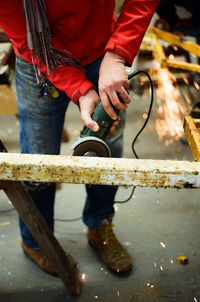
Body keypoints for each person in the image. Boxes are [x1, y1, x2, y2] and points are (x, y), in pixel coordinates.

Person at [0, 0, 158, 275]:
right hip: (37, 57)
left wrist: (118, 54)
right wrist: (80, 88)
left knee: (108, 148)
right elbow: (26, 37)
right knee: (37, 160)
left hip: (102, 53)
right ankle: (36, 241)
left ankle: (99, 225)